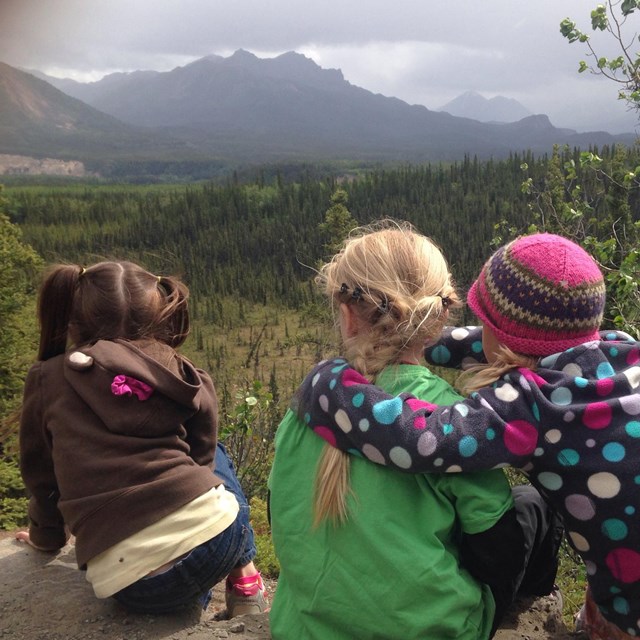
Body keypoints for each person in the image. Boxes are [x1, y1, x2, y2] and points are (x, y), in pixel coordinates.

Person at [294, 232, 640, 640]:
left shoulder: (533, 407)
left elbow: (417, 440)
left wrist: (329, 384)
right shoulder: (621, 351)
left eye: (485, 321)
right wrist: (410, 333)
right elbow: (492, 345)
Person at [16, 260, 268, 617]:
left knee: (170, 587)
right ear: (160, 317)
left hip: (130, 584)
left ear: (73, 320)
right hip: (217, 542)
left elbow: (41, 477)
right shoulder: (185, 373)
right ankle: (246, 582)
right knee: (218, 458)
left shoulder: (47, 378)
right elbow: (203, 460)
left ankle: (186, 598)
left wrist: (46, 536)